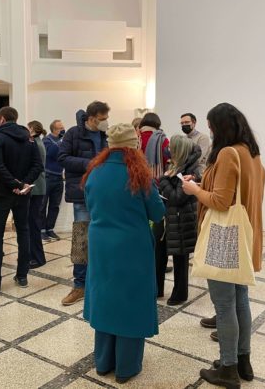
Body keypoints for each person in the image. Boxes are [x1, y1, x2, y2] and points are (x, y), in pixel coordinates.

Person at [182, 103, 265, 388]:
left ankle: (228, 368)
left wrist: (194, 190)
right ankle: (242, 360)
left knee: (225, 303)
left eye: (211, 125)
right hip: (243, 236)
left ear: (221, 127)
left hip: (224, 239)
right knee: (240, 299)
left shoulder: (229, 153)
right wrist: (204, 182)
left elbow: (220, 201)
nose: (209, 131)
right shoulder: (252, 154)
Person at [83, 123, 165, 384]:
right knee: (130, 301)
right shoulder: (139, 175)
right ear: (135, 145)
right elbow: (157, 213)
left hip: (100, 246)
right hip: (132, 247)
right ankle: (126, 367)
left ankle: (104, 361)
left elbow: (90, 205)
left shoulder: (94, 172)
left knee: (105, 297)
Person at [0, 107, 43, 293]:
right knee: (24, 232)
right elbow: (38, 165)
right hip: (23, 194)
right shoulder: (28, 137)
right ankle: (22, 276)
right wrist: (24, 184)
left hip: (0, 193)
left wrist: (14, 183)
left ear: (1, 119)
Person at [58, 101, 110, 306]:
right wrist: (89, 164)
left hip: (103, 193)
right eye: (102, 119)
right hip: (81, 193)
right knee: (82, 239)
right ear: (91, 118)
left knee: (101, 239)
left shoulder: (104, 136)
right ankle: (79, 285)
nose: (106, 123)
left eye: (107, 118)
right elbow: (62, 158)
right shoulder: (73, 133)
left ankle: (98, 283)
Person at [158, 135, 201, 305]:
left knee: (180, 258)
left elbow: (177, 197)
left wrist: (163, 180)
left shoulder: (191, 171)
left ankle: (180, 293)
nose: (168, 150)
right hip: (171, 218)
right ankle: (159, 289)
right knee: (163, 254)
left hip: (183, 219)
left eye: (172, 148)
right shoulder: (176, 166)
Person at [138, 112, 172, 290]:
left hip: (136, 185)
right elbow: (168, 161)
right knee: (157, 226)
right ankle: (155, 261)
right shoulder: (162, 139)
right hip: (157, 186)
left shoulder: (137, 137)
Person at [41, 119, 65, 241]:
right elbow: (51, 153)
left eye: (63, 127)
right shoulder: (46, 140)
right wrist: (61, 141)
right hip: (47, 177)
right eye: (60, 128)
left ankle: (50, 229)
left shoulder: (63, 142)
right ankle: (42, 230)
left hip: (59, 177)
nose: (63, 130)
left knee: (55, 205)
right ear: (54, 129)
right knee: (43, 204)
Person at [27, 120, 47, 268]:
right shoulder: (37, 142)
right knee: (32, 222)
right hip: (36, 187)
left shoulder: (36, 143)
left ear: (32, 129)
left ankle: (38, 258)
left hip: (36, 187)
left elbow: (36, 167)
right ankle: (32, 255)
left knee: (33, 223)